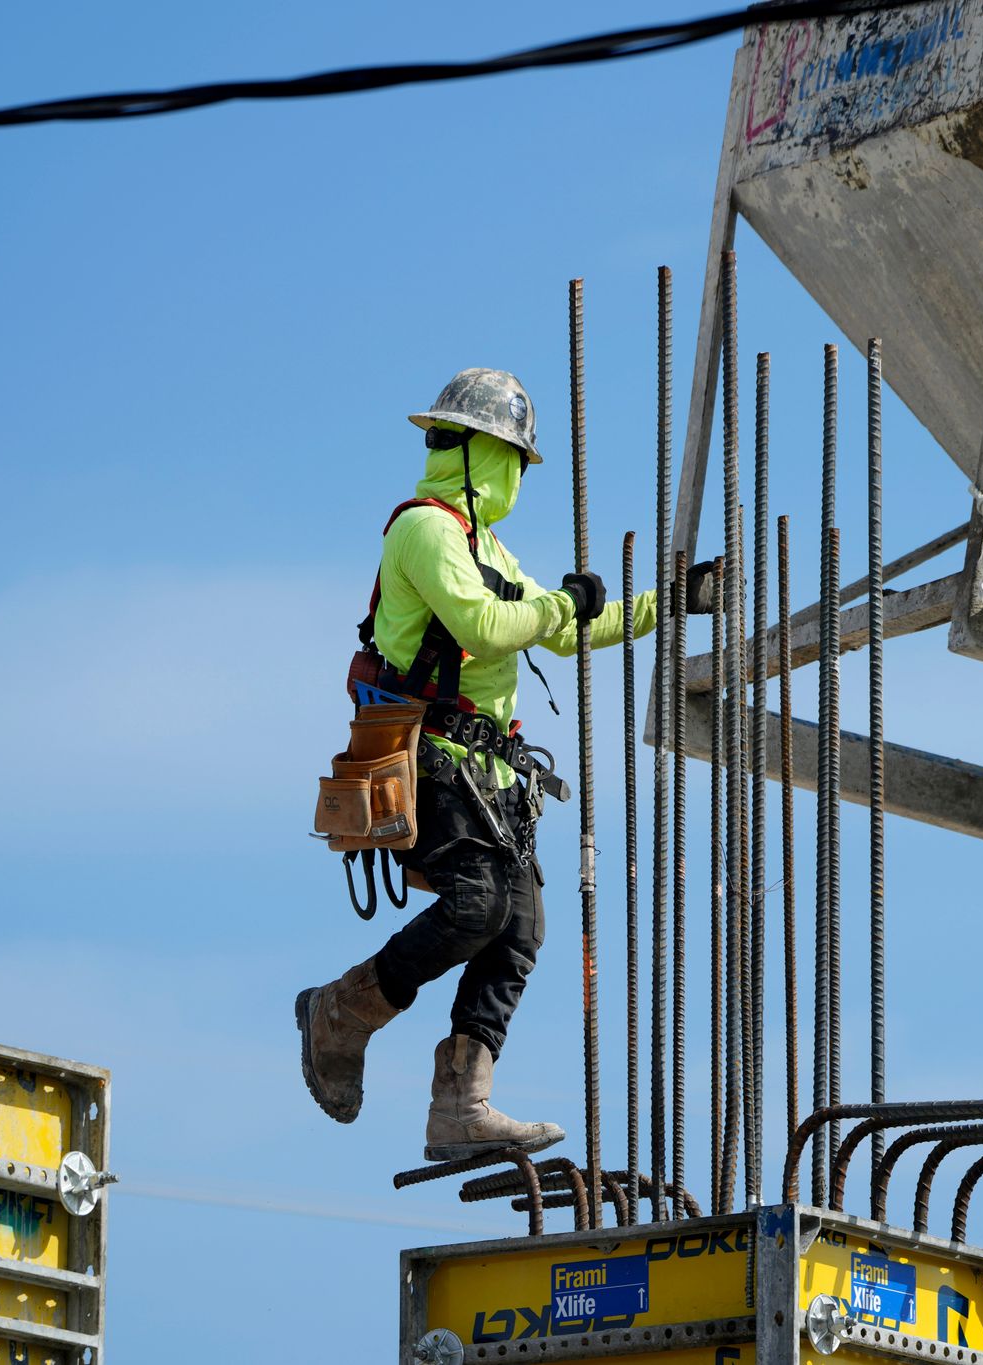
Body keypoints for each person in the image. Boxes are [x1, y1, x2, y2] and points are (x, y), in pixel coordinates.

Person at [295, 367, 710, 1161]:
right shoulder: (424, 531)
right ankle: (339, 1012)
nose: (517, 476)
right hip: (428, 760)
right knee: (477, 905)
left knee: (518, 928)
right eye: (514, 460)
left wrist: (670, 601)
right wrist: (560, 603)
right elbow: (485, 626)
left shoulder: (486, 546)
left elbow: (562, 630)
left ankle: (461, 1102)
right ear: (484, 454)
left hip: (487, 776)